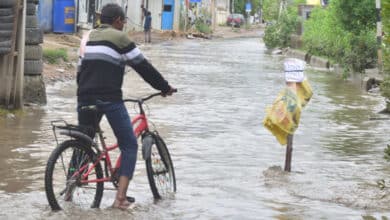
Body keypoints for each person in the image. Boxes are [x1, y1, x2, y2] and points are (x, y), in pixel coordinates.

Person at [76, 3, 176, 210]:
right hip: (108, 98)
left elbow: (80, 68)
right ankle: (120, 199)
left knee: (84, 142)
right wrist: (164, 87)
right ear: (118, 21)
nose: (124, 25)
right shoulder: (120, 38)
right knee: (129, 145)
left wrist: (86, 90)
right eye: (124, 21)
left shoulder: (89, 37)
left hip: (84, 96)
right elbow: (143, 67)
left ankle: (70, 188)